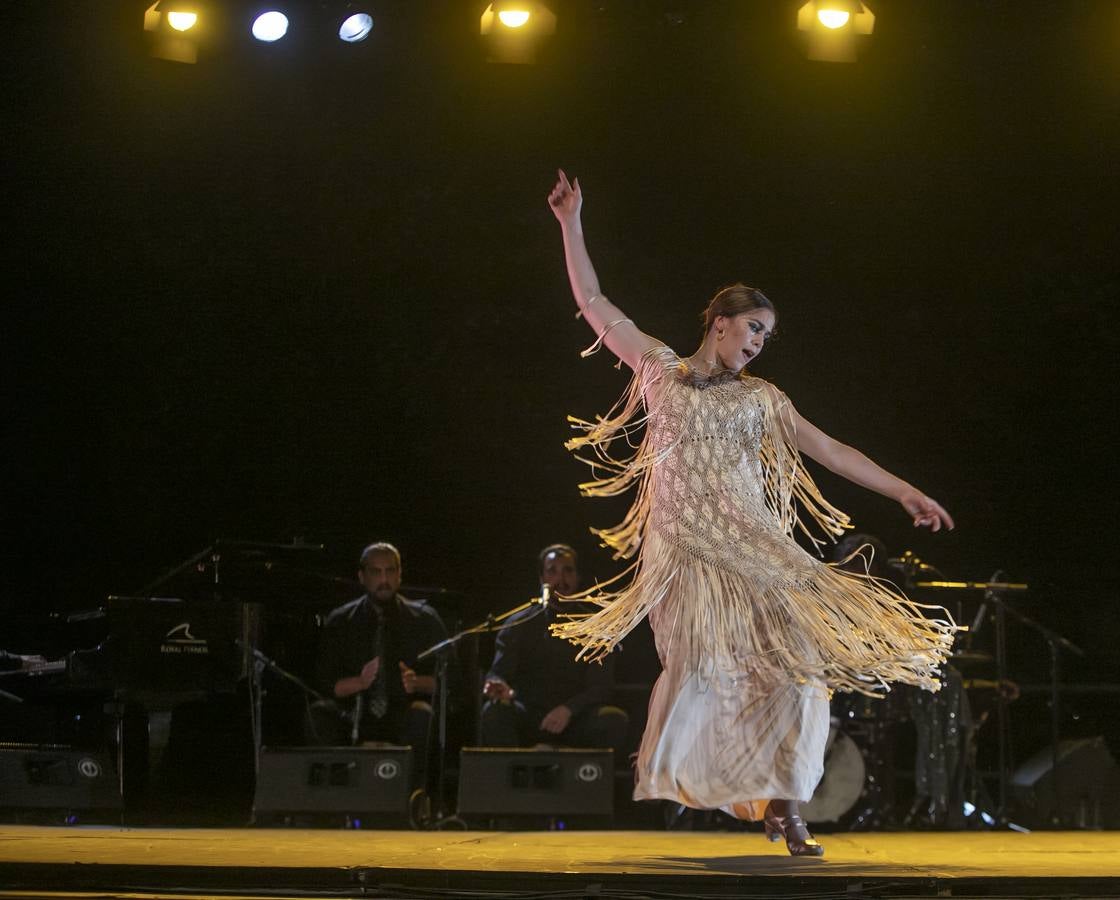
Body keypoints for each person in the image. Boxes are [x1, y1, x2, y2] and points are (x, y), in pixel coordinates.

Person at [544, 169, 958, 856]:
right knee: (704, 674)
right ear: (720, 322)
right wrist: (570, 224)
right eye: (754, 329)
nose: (761, 342)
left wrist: (901, 489)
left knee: (802, 667)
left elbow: (830, 449)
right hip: (684, 550)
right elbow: (594, 300)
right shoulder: (658, 371)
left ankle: (786, 804)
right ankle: (728, 792)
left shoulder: (762, 397)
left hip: (752, 544)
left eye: (767, 335)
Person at [311, 543, 449, 786]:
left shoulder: (425, 619)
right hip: (355, 714)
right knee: (319, 713)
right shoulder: (341, 621)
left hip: (402, 714)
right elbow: (324, 683)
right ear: (362, 577)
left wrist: (418, 683)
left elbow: (451, 683)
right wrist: (359, 682)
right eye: (376, 572)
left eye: (390, 571)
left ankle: (411, 799)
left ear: (399, 574)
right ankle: (333, 800)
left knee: (422, 715)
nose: (384, 579)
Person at [479, 544, 628, 752]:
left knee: (612, 719)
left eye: (568, 570)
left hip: (574, 719)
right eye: (552, 571)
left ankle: (584, 780)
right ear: (542, 579)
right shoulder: (518, 623)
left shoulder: (596, 627)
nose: (561, 578)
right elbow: (498, 672)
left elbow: (601, 687)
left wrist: (569, 709)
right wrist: (498, 686)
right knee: (494, 712)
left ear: (577, 577)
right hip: (529, 716)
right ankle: (515, 779)